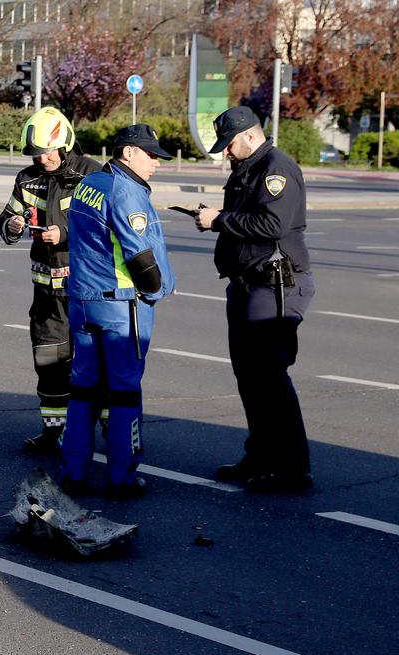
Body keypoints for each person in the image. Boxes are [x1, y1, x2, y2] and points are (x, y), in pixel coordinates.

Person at [195, 106, 315, 493]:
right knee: (250, 377)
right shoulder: (246, 168)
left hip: (275, 285)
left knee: (270, 377)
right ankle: (261, 456)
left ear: (250, 134)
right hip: (248, 283)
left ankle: (292, 469)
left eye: (229, 144)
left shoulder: (276, 168)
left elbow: (272, 225)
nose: (226, 152)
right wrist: (219, 219)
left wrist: (218, 220)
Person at [59, 124, 176, 496]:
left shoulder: (91, 184)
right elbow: (140, 256)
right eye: (150, 155)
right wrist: (156, 291)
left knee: (83, 390)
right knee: (125, 392)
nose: (156, 163)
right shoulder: (126, 192)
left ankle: (74, 472)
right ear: (128, 153)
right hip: (121, 305)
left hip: (83, 302)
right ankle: (122, 477)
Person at [0, 106, 95, 454]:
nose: (43, 158)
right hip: (46, 298)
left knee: (91, 365)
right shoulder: (27, 179)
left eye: (49, 151)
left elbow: (105, 223)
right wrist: (12, 226)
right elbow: (7, 217)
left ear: (66, 144)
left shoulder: (90, 174)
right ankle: (54, 432)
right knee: (50, 365)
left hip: (86, 295)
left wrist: (64, 232)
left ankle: (102, 435)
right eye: (37, 153)